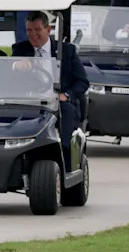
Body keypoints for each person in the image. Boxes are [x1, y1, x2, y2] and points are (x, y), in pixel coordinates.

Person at [12, 11, 89, 168]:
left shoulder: (66, 51)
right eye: (29, 31)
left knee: (66, 110)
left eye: (38, 30)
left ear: (48, 30)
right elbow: (7, 77)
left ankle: (65, 154)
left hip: (58, 100)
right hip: (30, 100)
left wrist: (66, 95)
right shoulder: (20, 50)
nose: (33, 35)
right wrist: (15, 66)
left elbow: (82, 81)